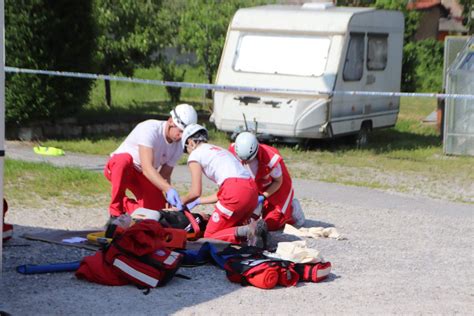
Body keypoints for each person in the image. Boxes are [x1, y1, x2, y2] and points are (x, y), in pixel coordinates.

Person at [179, 124, 267, 246]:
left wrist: (180, 202)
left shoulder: (195, 154)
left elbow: (195, 191)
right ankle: (251, 235)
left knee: (209, 237)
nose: (188, 153)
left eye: (185, 150)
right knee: (230, 230)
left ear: (190, 142)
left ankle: (248, 230)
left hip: (234, 191)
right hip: (251, 191)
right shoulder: (219, 150)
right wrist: (198, 201)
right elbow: (223, 194)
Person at [104, 104, 198, 217]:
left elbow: (165, 174)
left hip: (143, 175)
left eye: (185, 133)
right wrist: (169, 189)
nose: (181, 136)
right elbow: (147, 168)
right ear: (170, 121)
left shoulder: (178, 146)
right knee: (124, 160)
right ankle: (115, 212)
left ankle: (123, 204)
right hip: (121, 168)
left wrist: (167, 197)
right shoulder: (150, 129)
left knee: (157, 211)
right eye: (180, 131)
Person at [229, 132, 305, 231]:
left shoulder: (270, 159)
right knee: (246, 221)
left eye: (248, 160)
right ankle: (263, 209)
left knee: (272, 224)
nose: (245, 162)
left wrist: (263, 196)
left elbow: (278, 182)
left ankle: (292, 210)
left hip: (279, 187)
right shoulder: (233, 150)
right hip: (257, 186)